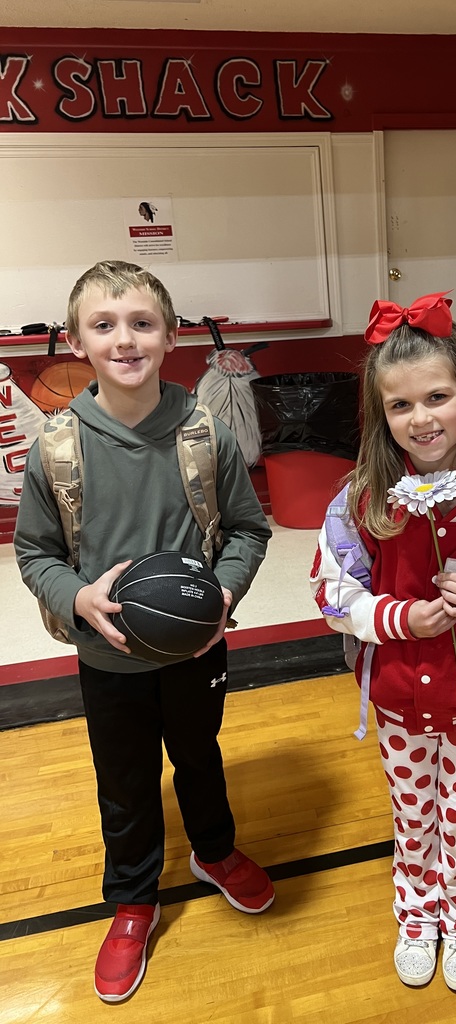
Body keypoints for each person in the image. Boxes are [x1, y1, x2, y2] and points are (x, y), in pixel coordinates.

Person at [14, 260, 275, 1004]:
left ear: (170, 336)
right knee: (124, 780)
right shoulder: (57, 447)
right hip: (108, 657)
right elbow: (35, 553)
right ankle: (133, 900)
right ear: (77, 342)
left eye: (141, 323)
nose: (124, 340)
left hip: (197, 648)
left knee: (199, 755)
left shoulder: (207, 435)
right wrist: (78, 597)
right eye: (104, 325)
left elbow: (248, 532)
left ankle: (214, 852)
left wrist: (221, 593)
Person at [310, 292, 456, 993]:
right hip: (397, 702)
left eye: (438, 396)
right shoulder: (361, 500)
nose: (422, 418)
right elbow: (332, 595)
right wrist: (397, 619)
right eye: (401, 405)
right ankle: (416, 913)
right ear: (381, 415)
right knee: (412, 813)